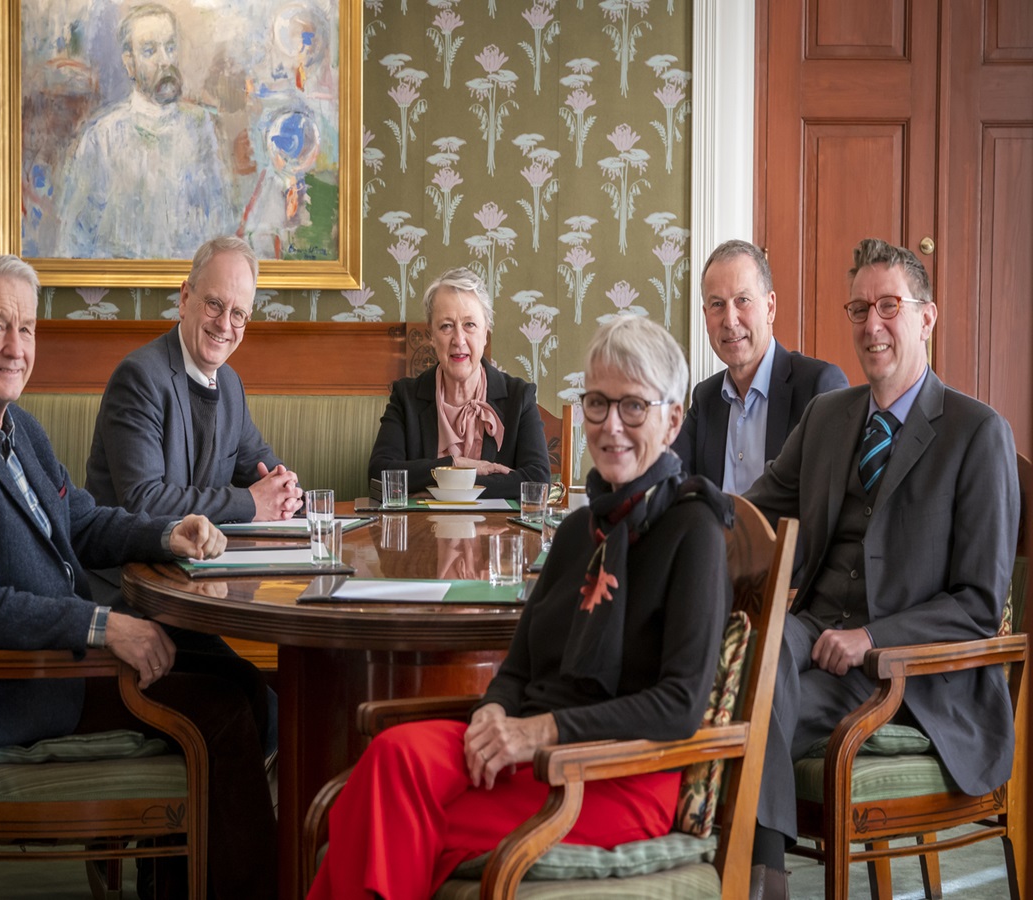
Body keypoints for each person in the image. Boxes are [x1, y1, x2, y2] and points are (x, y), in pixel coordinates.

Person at [0, 253, 277, 899]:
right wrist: (105, 626)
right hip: (17, 682)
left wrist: (166, 532)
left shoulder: (14, 426)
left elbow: (81, 520)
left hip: (59, 655)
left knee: (244, 682)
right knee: (224, 712)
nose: (16, 347)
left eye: (27, 328)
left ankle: (177, 886)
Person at [311, 315, 734, 899]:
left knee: (381, 820)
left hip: (614, 773)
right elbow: (519, 667)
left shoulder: (695, 531)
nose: (611, 425)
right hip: (530, 747)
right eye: (597, 403)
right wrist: (494, 712)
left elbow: (679, 707)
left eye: (634, 406)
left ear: (673, 420)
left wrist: (541, 731)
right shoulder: (577, 530)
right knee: (391, 757)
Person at [742, 238, 1018, 899]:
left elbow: (980, 604)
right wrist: (666, 508)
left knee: (747, 700)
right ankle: (752, 875)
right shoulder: (827, 416)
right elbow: (751, 512)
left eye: (889, 306)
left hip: (909, 674)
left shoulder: (978, 433)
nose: (872, 326)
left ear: (926, 317)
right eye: (860, 309)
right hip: (814, 632)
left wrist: (872, 637)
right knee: (741, 655)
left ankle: (755, 880)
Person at [86, 235, 297, 759]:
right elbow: (143, 500)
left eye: (239, 314)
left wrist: (286, 490)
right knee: (252, 704)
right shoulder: (140, 377)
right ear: (185, 298)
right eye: (215, 304)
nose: (225, 324)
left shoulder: (230, 387)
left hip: (189, 596)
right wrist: (252, 503)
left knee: (265, 700)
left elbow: (264, 467)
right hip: (130, 598)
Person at [55, 4, 239, 259]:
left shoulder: (200, 128)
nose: (165, 60)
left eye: (170, 47)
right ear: (129, 63)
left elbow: (221, 225)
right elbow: (73, 241)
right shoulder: (102, 138)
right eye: (150, 51)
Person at [674, 240, 848, 493]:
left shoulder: (818, 386)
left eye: (742, 300)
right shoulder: (706, 397)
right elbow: (671, 480)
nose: (730, 321)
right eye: (717, 304)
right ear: (705, 315)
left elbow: (833, 498)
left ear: (770, 307)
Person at [368, 268, 551, 499]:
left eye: (469, 325)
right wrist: (453, 464)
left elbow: (538, 481)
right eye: (446, 326)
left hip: (495, 524)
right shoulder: (406, 397)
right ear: (431, 335)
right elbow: (379, 475)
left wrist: (445, 485)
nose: (458, 339)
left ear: (486, 332)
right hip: (424, 524)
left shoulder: (519, 396)